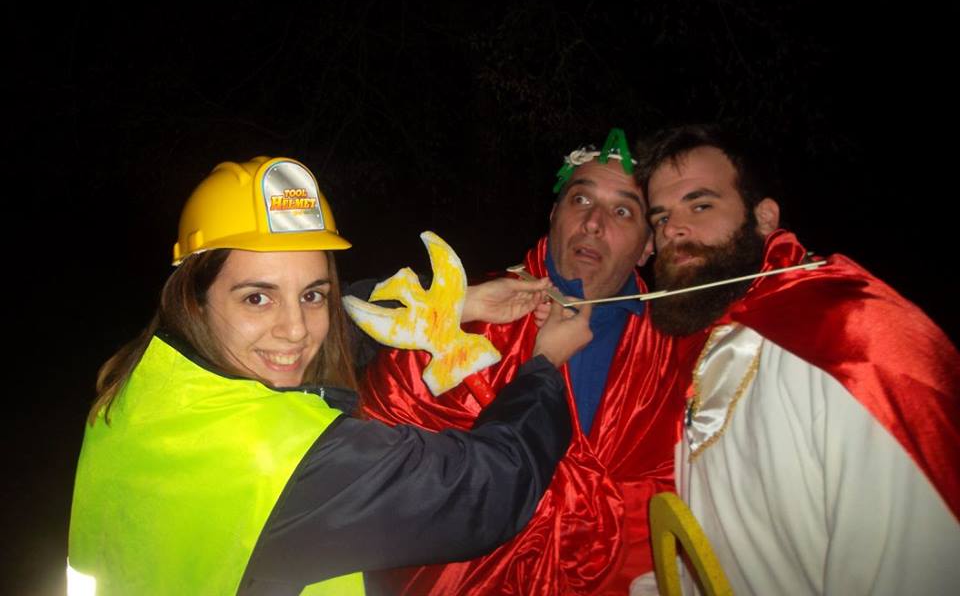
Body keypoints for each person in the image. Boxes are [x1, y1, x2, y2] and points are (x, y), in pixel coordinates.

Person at [67, 156, 594, 596]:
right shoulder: (281, 460)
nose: (296, 330)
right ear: (195, 300)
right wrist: (544, 365)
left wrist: (454, 306)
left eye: (311, 294)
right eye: (257, 298)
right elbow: (488, 487)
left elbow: (340, 323)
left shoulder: (142, 385)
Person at [637, 124, 960, 595]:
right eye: (661, 217)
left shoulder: (849, 333)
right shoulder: (698, 352)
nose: (672, 229)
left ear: (764, 217)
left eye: (700, 205)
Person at [361, 131, 687, 595]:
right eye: (581, 199)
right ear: (554, 214)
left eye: (622, 211)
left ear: (649, 244)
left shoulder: (675, 350)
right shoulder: (466, 313)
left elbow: (682, 494)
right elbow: (380, 448)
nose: (594, 224)